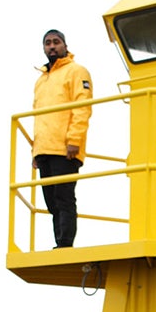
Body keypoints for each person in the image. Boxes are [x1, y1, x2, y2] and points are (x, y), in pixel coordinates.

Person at [32, 29, 93, 248]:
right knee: (51, 201)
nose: (52, 46)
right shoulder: (41, 80)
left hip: (65, 148)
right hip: (44, 149)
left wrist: (74, 140)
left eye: (56, 42)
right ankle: (59, 242)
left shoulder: (76, 71)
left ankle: (65, 243)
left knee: (64, 197)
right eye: (47, 43)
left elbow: (82, 107)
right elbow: (38, 115)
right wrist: (35, 151)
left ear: (65, 45)